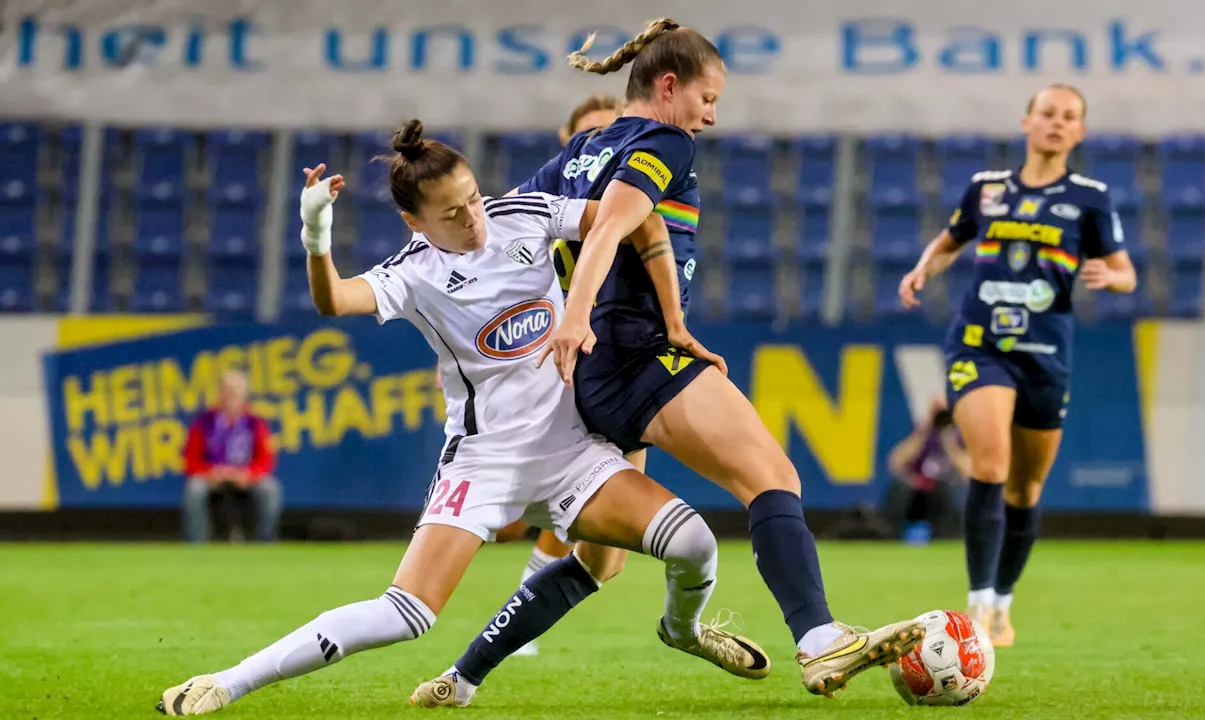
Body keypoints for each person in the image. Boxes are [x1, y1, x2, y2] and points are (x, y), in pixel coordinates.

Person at [157, 122, 769, 716]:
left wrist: (667, 313)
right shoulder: (412, 273)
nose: (473, 217)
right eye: (451, 213)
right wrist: (317, 230)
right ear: (414, 221)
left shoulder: (523, 213)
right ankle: (228, 682)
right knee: (406, 614)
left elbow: (624, 218)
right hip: (484, 462)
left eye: (473, 198)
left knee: (694, 542)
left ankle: (682, 631)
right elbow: (333, 299)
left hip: (572, 452)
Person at [420, 18, 925, 703]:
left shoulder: (564, 166)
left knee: (599, 562)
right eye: (708, 98)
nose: (711, 116)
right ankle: (818, 639)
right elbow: (618, 226)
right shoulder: (664, 139)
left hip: (590, 379)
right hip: (632, 358)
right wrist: (577, 316)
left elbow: (493, 250)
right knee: (771, 476)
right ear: (667, 85)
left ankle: (461, 677)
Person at [897, 84, 1137, 647]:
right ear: (1027, 122)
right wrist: (923, 269)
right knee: (990, 462)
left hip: (1046, 354)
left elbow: (1125, 270)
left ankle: (1002, 603)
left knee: (1026, 488)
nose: (1056, 123)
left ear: (1079, 132)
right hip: (979, 345)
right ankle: (977, 607)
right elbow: (951, 239)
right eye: (1047, 113)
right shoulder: (987, 189)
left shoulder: (1090, 197)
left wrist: (1112, 278)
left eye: (1069, 117)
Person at [489, 94, 624, 658]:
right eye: (588, 136)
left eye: (611, 136)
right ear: (567, 142)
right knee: (505, 523)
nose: (601, 148)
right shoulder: (532, 207)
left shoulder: (634, 204)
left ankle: (524, 598)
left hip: (605, 363)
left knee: (596, 534)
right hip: (536, 365)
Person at [181, 370, 280, 544]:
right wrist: (210, 473)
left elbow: (266, 461)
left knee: (270, 489)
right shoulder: (203, 422)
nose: (230, 395)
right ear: (219, 393)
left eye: (235, 391)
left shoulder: (255, 422)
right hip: (212, 476)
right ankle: (197, 542)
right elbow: (190, 459)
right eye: (226, 390)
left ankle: (265, 542)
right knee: (194, 489)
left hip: (245, 476)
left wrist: (248, 474)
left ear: (244, 395)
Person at [881, 396, 970, 542]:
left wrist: (948, 439)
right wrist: (926, 428)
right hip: (918, 490)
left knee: (951, 491)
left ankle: (944, 538)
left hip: (945, 491)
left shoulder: (962, 436)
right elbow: (895, 463)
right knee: (899, 487)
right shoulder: (922, 435)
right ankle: (892, 535)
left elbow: (968, 472)